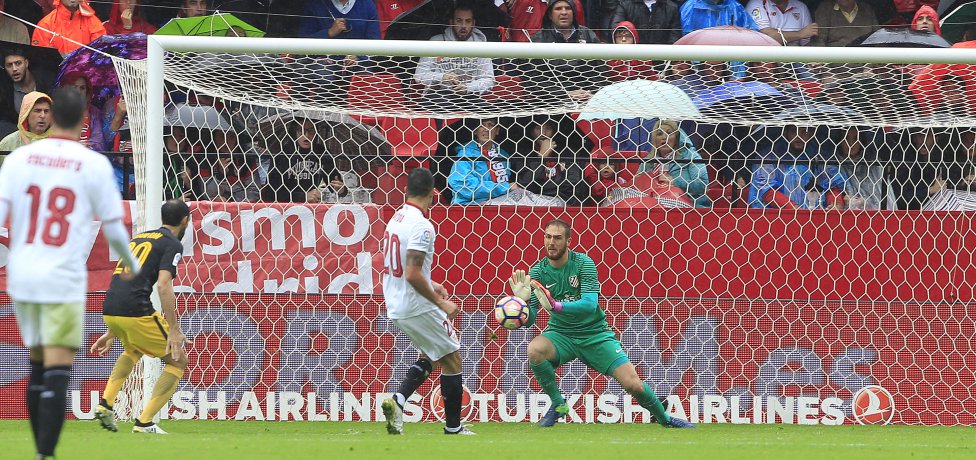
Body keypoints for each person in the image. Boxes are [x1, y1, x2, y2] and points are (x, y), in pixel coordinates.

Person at [0, 86, 141, 460]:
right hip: (63, 274)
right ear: (83, 121)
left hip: (25, 272)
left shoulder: (19, 159)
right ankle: (46, 454)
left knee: (37, 362)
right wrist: (132, 265)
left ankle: (38, 449)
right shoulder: (91, 163)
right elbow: (113, 225)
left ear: (48, 117)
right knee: (59, 365)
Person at [508, 220, 695, 428]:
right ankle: (559, 405)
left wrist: (556, 306)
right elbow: (530, 319)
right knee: (535, 349)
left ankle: (665, 420)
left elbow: (590, 304)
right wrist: (522, 304)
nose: (551, 242)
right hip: (561, 335)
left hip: (595, 334)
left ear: (568, 241)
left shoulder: (583, 263)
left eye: (557, 238)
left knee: (633, 384)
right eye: (548, 236)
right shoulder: (538, 272)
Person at [380, 168, 474, 436]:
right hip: (416, 304)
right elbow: (410, 273)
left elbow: (397, 265)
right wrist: (441, 303)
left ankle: (398, 400)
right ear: (434, 194)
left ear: (406, 191)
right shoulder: (422, 225)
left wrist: (430, 281)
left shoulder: (396, 219)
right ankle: (454, 427)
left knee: (431, 355)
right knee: (452, 358)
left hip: (397, 303)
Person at [89, 200, 191, 434]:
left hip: (111, 307)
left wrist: (112, 329)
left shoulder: (139, 239)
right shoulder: (172, 244)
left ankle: (105, 404)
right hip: (135, 309)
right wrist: (173, 329)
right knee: (178, 361)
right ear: (185, 220)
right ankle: (144, 423)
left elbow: (123, 279)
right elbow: (164, 286)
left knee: (133, 349)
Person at [414, 3, 495, 112]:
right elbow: (419, 75)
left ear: (473, 23)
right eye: (459, 21)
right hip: (438, 95)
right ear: (451, 22)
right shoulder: (436, 42)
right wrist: (442, 77)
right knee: (443, 107)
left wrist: (468, 87)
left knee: (489, 113)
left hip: (469, 96)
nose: (463, 26)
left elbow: (489, 79)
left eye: (468, 21)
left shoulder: (480, 45)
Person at [522, 0, 605, 104]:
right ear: (550, 15)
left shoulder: (588, 35)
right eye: (558, 9)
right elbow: (533, 80)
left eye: (568, 8)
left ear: (574, 13)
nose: (564, 12)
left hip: (587, 101)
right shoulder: (537, 40)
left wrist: (590, 93)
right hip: (551, 104)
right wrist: (565, 94)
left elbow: (600, 72)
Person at [637, 119, 711, 208]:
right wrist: (638, 181)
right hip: (653, 208)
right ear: (654, 139)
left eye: (669, 133)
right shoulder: (648, 161)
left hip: (689, 208)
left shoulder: (690, 156)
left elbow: (702, 185)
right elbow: (637, 187)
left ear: (676, 138)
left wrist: (676, 182)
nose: (664, 137)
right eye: (659, 133)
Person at [32, 0, 106, 56]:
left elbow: (100, 56)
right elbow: (41, 59)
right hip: (55, 73)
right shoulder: (45, 25)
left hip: (86, 73)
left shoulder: (94, 23)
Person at [745, 0, 817, 46]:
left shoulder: (801, 7)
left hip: (795, 59)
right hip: (765, 59)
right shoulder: (756, 3)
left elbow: (806, 43)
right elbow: (767, 37)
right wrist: (800, 34)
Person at [609, 0, 681, 45]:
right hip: (634, 60)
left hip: (661, 61)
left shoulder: (671, 7)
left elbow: (674, 36)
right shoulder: (625, 5)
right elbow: (617, 29)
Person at [810, 0, 878, 47]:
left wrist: (872, 63)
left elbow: (878, 38)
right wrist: (822, 63)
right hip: (835, 64)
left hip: (866, 63)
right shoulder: (825, 8)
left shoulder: (866, 8)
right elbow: (819, 40)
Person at [4, 48, 51, 115]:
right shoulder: (7, 91)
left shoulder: (47, 82)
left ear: (26, 63)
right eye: (9, 65)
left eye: (18, 63)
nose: (14, 69)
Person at [679, 0, 759, 36]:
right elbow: (687, 37)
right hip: (700, 61)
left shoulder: (735, 6)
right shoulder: (690, 7)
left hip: (731, 60)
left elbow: (752, 33)